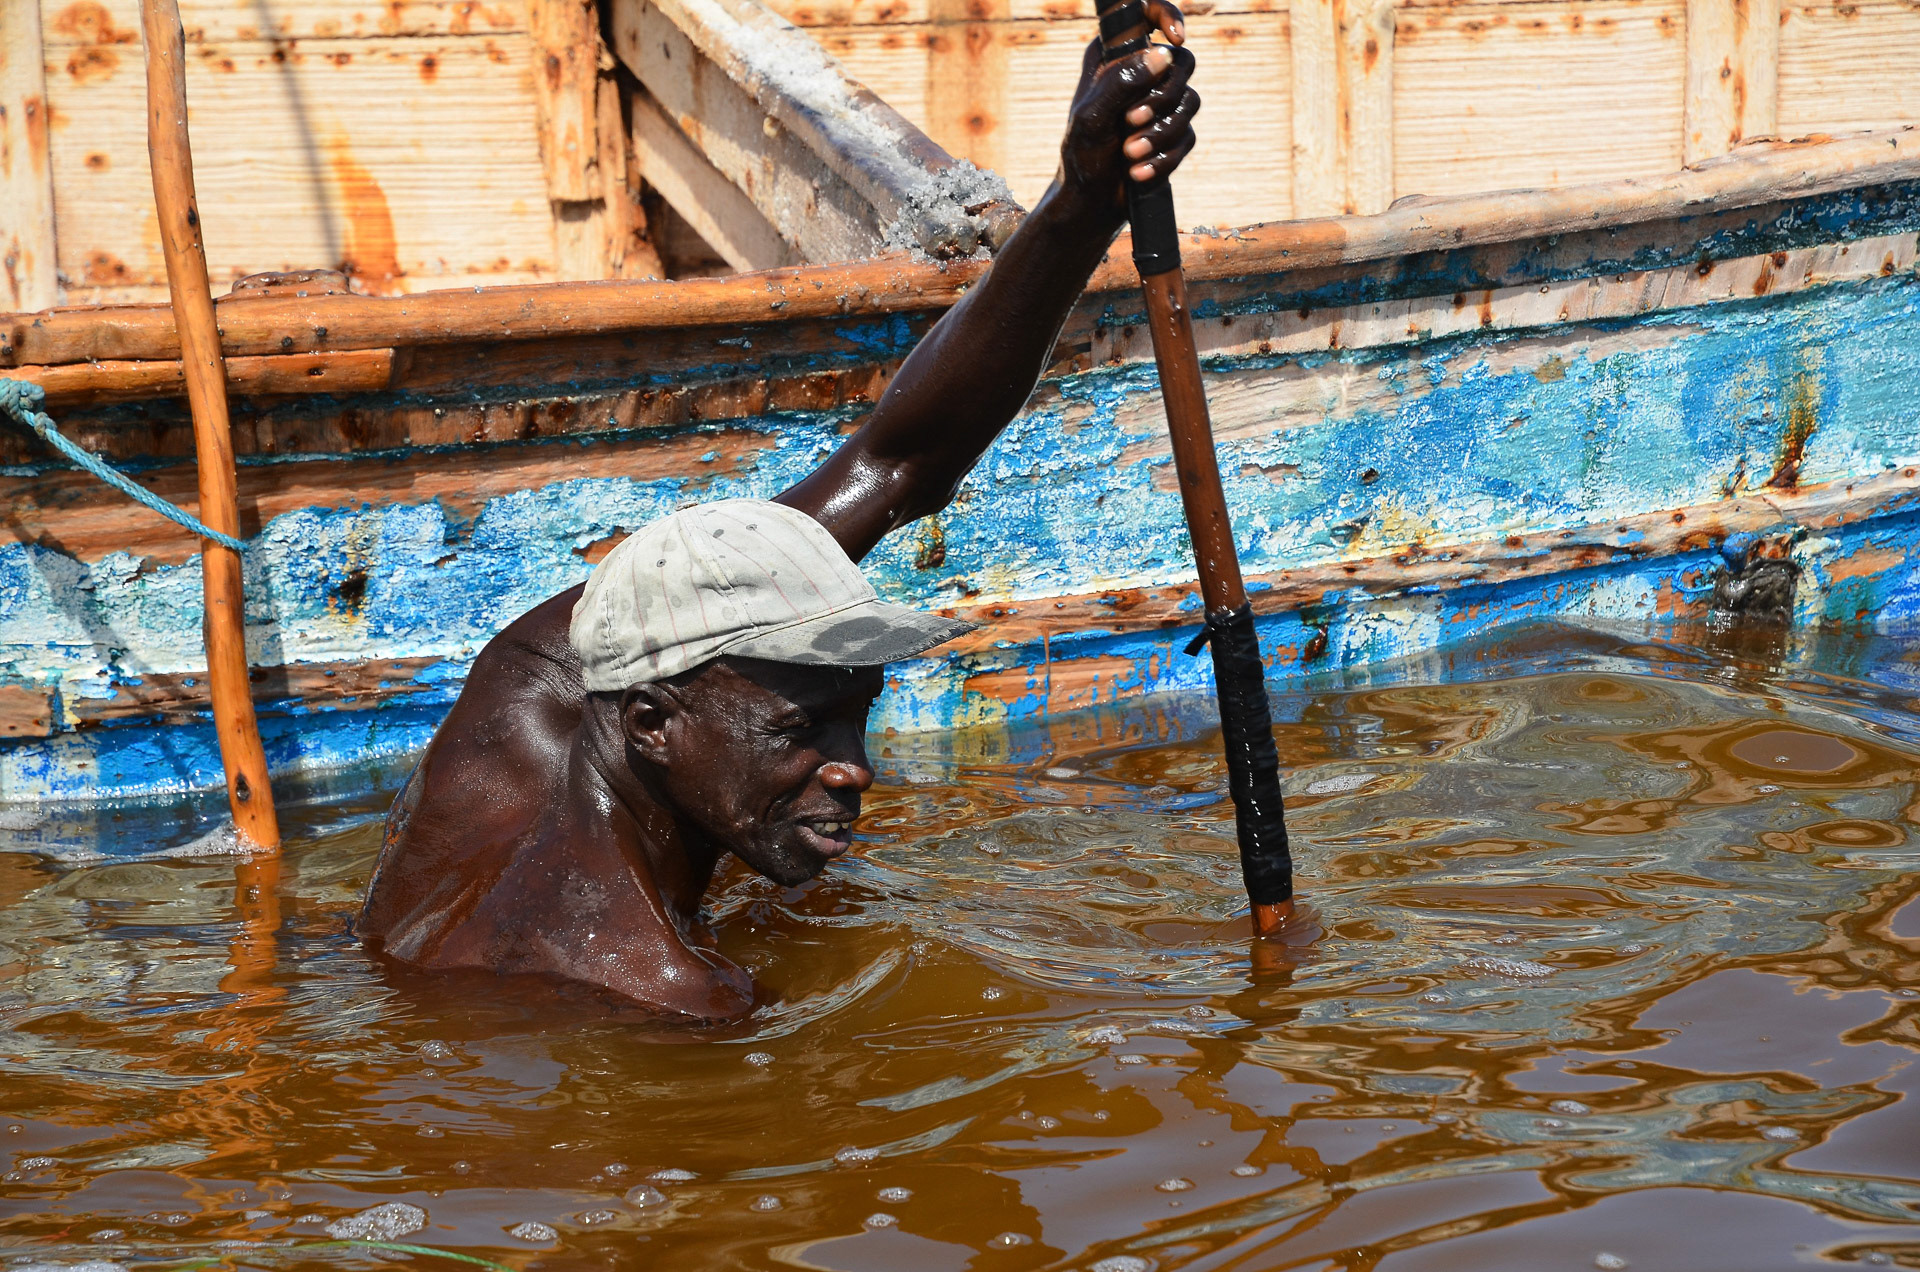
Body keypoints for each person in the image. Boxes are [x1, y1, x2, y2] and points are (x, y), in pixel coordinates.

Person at [357, 14, 1202, 1018]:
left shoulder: (535, 685)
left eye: (857, 711)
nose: (859, 769)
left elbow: (895, 465)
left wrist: (1082, 205)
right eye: (800, 728)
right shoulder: (673, 992)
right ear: (652, 723)